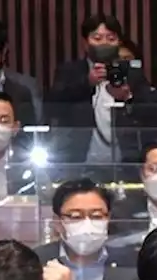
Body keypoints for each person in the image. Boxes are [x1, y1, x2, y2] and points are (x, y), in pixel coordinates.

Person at [47, 12, 149, 174]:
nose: (104, 43)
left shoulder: (132, 72)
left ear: (118, 42)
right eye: (97, 38)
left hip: (125, 164)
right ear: (85, 43)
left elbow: (150, 111)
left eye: (111, 38)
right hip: (79, 163)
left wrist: (126, 98)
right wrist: (87, 83)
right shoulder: (69, 71)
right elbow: (53, 106)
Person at [37, 178, 139, 280]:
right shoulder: (36, 262)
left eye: (97, 216)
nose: (87, 224)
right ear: (57, 222)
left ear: (108, 218)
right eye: (76, 216)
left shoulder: (131, 264)